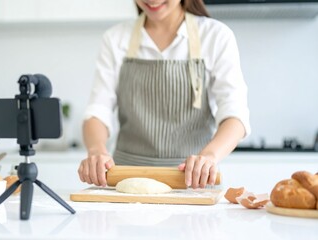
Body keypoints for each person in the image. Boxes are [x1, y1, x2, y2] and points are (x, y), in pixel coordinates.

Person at [78, 0, 250, 189]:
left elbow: (235, 114)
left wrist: (209, 157)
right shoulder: (115, 39)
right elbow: (98, 111)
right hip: (125, 183)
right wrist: (96, 151)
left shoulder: (215, 36)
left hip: (193, 184)